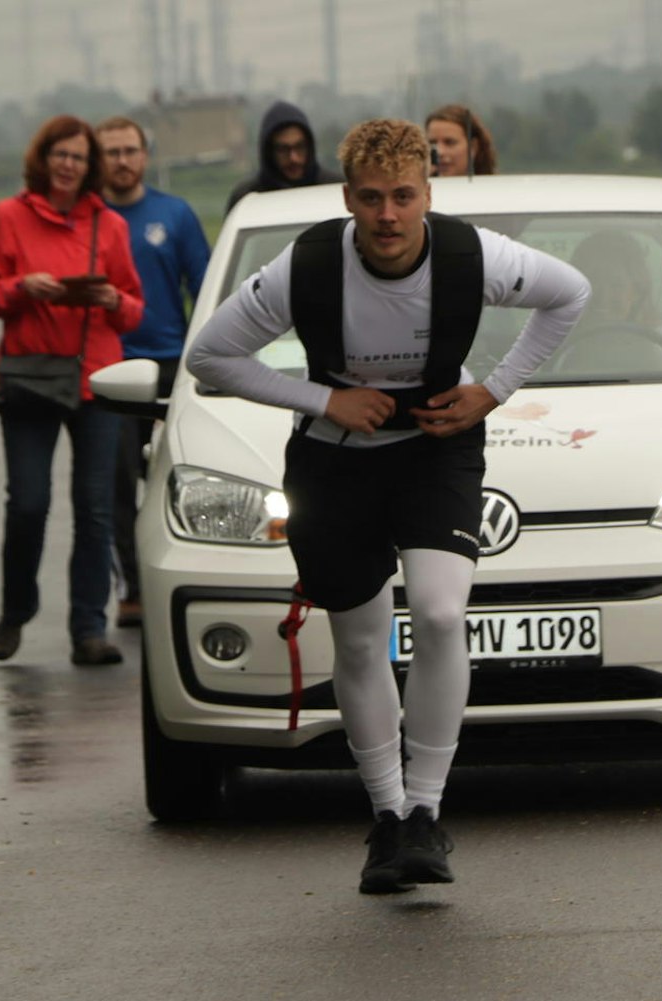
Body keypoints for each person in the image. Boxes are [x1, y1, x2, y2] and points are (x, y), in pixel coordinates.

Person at [186, 119, 588, 893]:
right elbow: (210, 356)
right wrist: (324, 398)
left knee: (439, 614)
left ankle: (427, 814)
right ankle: (387, 815)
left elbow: (570, 294)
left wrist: (493, 390)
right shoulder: (305, 266)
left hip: (437, 448)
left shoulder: (474, 256)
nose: (388, 216)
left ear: (428, 196)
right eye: (371, 200)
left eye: (404, 197)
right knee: (363, 642)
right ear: (348, 200)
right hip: (333, 463)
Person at [0, 116, 145, 667]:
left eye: (77, 157)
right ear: (42, 160)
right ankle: (16, 609)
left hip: (95, 378)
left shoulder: (109, 225)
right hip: (29, 377)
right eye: (60, 155)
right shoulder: (9, 217)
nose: (68, 165)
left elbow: (135, 310)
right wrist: (22, 288)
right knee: (28, 503)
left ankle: (88, 628)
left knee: (94, 509)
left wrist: (114, 302)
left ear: (88, 166)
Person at [95, 116, 211, 628]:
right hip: (110, 368)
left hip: (169, 364)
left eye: (129, 150)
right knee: (118, 485)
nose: (121, 160)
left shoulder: (175, 214)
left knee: (175, 478)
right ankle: (132, 588)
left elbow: (204, 289)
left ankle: (189, 573)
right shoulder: (89, 218)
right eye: (111, 152)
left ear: (144, 155)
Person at [567, 231, 662, 373]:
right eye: (592, 283)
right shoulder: (557, 343)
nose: (603, 297)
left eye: (616, 286)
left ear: (637, 292)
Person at [225, 100, 342, 212]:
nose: (293, 158)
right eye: (283, 149)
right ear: (269, 152)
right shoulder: (247, 198)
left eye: (299, 147)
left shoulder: (334, 190)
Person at [425, 104, 497, 178]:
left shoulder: (495, 188)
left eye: (449, 143)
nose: (440, 152)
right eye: (432, 143)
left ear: (473, 147)